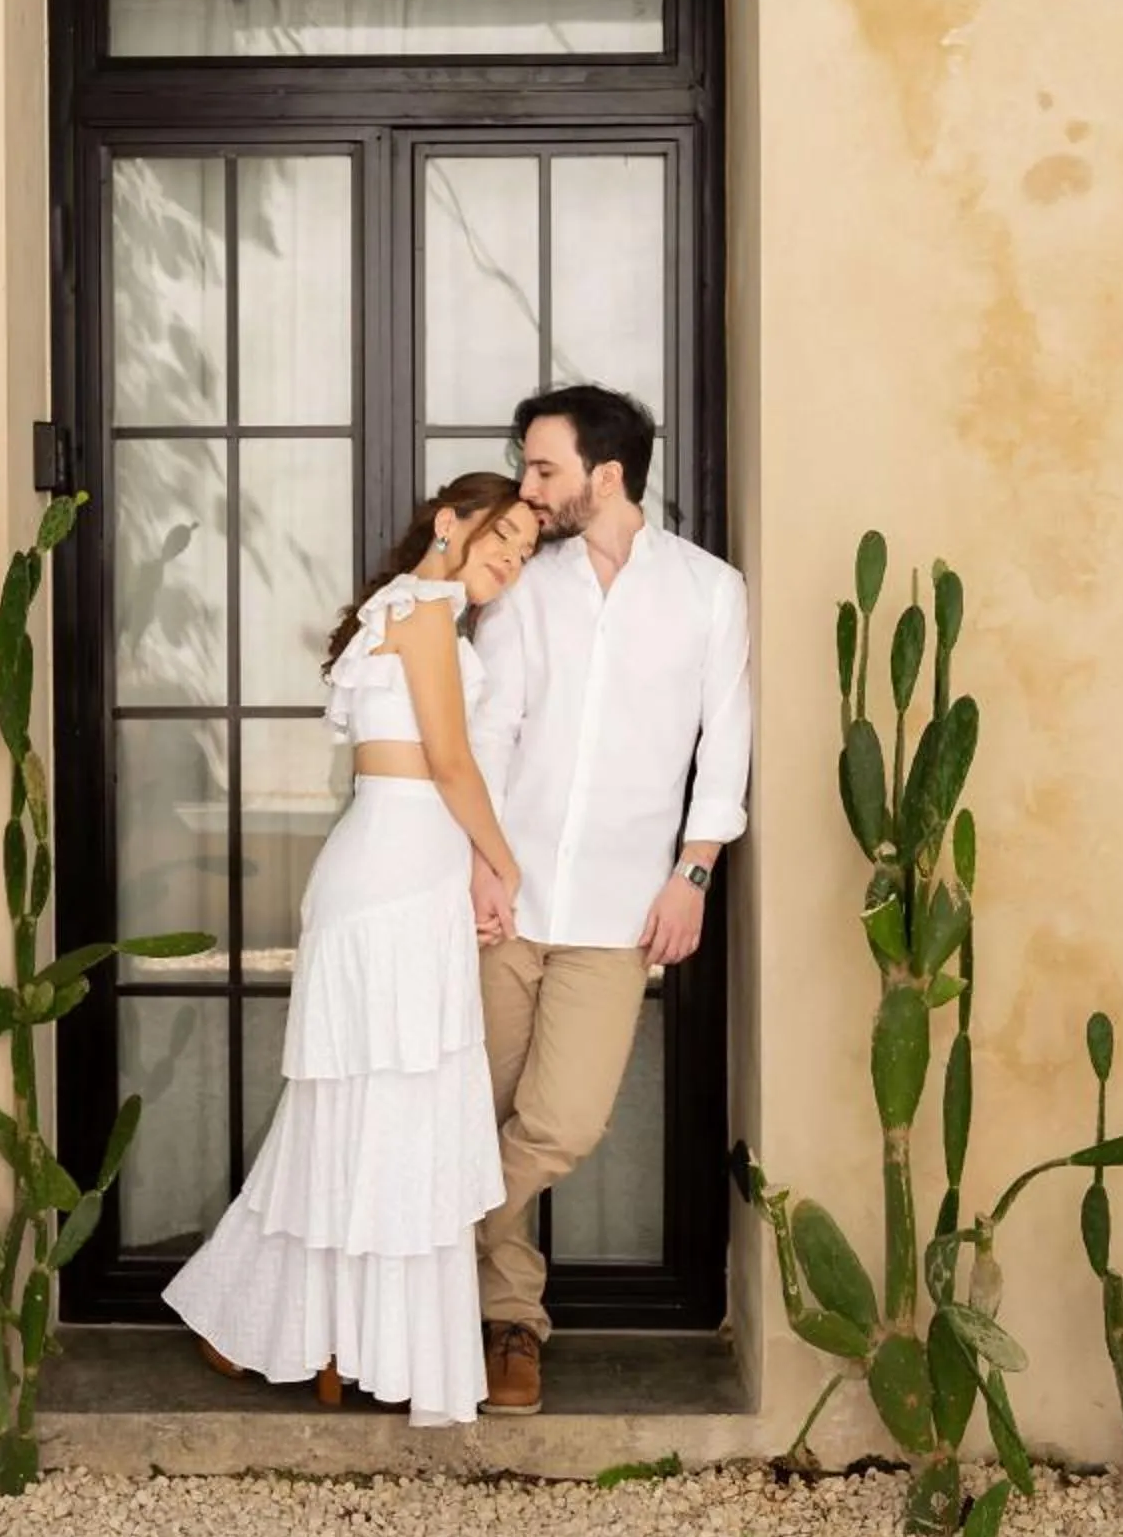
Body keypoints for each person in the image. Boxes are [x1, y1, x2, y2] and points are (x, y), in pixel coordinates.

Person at [162, 472, 542, 1425]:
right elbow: (449, 766)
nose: (514, 557)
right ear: (451, 522)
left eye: (530, 550)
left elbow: (429, 773)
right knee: (377, 1111)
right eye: (506, 534)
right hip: (392, 879)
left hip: (398, 866)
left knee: (366, 1113)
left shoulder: (408, 613)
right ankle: (311, 1331)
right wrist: (506, 868)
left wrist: (471, 870)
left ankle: (326, 1337)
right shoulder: (421, 611)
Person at [466, 385, 754, 1414]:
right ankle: (510, 1322)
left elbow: (726, 739)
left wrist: (695, 872)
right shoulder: (524, 590)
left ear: (607, 474)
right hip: (505, 898)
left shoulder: (709, 591)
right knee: (481, 1112)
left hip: (621, 911)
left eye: (543, 469)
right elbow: (492, 728)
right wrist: (482, 862)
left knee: (560, 1123)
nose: (527, 488)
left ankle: (403, 1252)